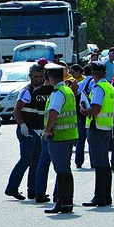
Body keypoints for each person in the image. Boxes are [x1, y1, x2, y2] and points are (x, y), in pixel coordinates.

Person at [5, 64, 51, 200]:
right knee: (26, 160)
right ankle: (12, 188)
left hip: (38, 131)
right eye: (35, 77)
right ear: (30, 77)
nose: (38, 79)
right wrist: (22, 125)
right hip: (28, 130)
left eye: (40, 76)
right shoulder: (27, 91)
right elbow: (17, 110)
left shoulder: (42, 91)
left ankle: (33, 190)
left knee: (36, 161)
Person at [42, 64, 77, 213]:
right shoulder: (67, 90)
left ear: (50, 77)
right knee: (66, 169)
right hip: (69, 135)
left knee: (61, 170)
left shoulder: (57, 93)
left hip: (59, 136)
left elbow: (53, 113)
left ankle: (62, 202)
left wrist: (47, 131)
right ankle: (67, 202)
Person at [79, 61, 114, 206]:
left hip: (97, 128)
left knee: (99, 164)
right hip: (106, 127)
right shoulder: (110, 87)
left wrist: (84, 110)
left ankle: (99, 196)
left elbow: (95, 109)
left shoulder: (98, 88)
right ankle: (106, 196)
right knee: (105, 163)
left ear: (93, 73)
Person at [73, 64, 94, 169]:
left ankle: (78, 161)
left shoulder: (80, 83)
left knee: (80, 138)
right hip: (90, 112)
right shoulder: (94, 83)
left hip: (80, 112)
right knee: (91, 138)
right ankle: (93, 161)